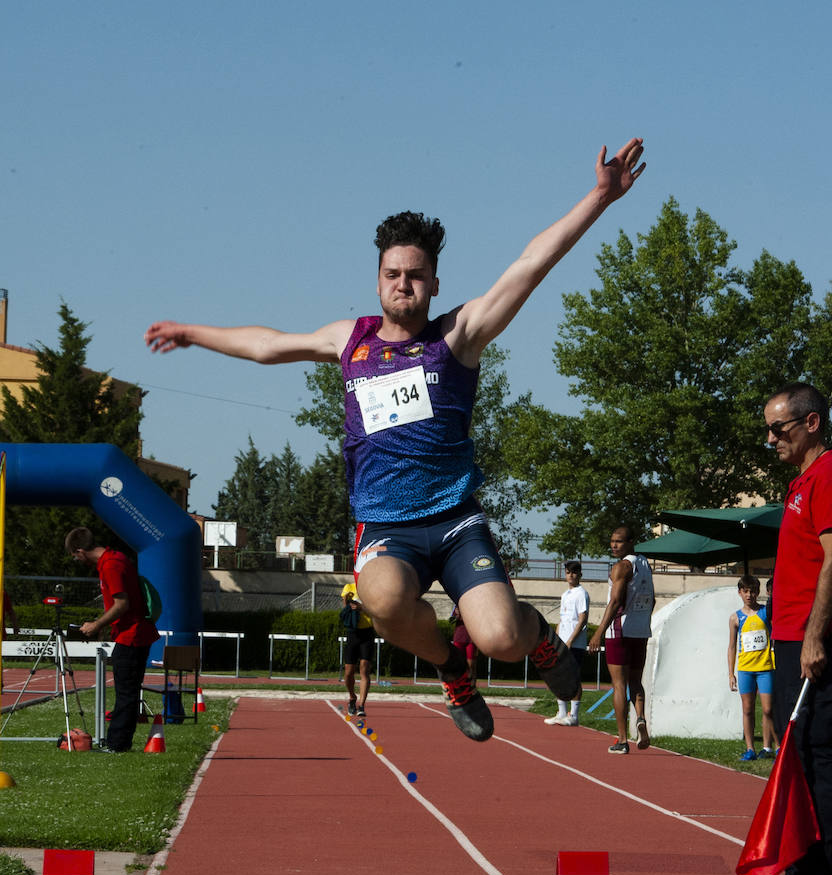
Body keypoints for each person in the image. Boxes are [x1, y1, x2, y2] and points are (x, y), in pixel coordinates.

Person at [145, 137, 646, 743]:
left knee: (503, 639)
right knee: (380, 600)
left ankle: (535, 635)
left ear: (434, 282)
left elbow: (529, 265)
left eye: (415, 276)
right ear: (377, 279)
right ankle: (450, 669)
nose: (402, 285)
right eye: (392, 274)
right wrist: (193, 333)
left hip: (455, 520)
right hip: (386, 526)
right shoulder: (348, 340)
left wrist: (598, 197)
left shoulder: (458, 336)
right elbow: (267, 344)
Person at [751, 383, 832, 875]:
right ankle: (801, 869)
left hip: (816, 635)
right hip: (794, 633)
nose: (770, 437)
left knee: (818, 753)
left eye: (780, 428)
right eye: (769, 428)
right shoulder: (802, 481)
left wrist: (817, 635)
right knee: (798, 752)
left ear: (812, 423)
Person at [64, 527, 160, 752]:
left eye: (75, 556)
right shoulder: (115, 558)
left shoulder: (111, 565)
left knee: (126, 692)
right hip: (133, 633)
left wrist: (96, 624)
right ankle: (119, 742)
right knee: (128, 690)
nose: (77, 560)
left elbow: (122, 604)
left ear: (80, 550)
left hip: (132, 636)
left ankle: (117, 745)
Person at [588, 525, 654, 754]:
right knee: (636, 682)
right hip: (641, 630)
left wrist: (598, 632)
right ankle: (641, 719)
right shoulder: (645, 565)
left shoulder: (622, 567)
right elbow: (652, 600)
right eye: (612, 541)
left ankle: (622, 739)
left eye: (619, 541)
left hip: (619, 630)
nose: (614, 545)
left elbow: (615, 602)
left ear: (631, 542)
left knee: (619, 685)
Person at [727, 575, 778, 761]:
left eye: (752, 591)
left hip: (765, 668)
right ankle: (750, 749)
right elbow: (731, 646)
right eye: (746, 591)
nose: (749, 595)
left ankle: (774, 746)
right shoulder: (735, 618)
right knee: (747, 709)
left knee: (768, 709)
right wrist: (731, 673)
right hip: (745, 669)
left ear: (758, 593)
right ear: (740, 592)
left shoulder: (765, 613)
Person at [545, 560, 590, 726]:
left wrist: (571, 640)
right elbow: (562, 619)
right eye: (568, 572)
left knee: (573, 678)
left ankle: (574, 715)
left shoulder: (581, 593)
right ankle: (562, 712)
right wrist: (556, 640)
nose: (571, 575)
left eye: (574, 572)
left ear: (580, 574)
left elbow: (582, 619)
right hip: (562, 643)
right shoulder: (565, 595)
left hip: (574, 644)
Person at [339, 582, 374, 718]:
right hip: (353, 633)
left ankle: (362, 705)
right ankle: (352, 697)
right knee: (348, 672)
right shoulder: (349, 587)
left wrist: (361, 607)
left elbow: (375, 610)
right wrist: (347, 601)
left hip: (368, 632)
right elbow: (345, 607)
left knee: (364, 668)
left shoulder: (371, 588)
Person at [449, 607, 478, 688]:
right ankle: (458, 685)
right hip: (459, 637)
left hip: (471, 638)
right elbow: (451, 620)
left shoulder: (476, 605)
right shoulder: (457, 605)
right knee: (458, 663)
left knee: (471, 664)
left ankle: (472, 686)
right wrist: (457, 616)